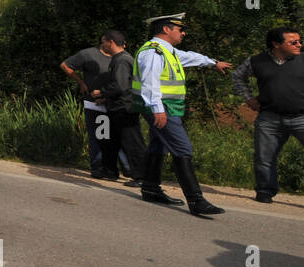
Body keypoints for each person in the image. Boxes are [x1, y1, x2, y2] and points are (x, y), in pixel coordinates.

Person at [131, 12, 232, 218]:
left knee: (159, 145)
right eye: (180, 29)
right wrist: (157, 109)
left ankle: (150, 188)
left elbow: (191, 57)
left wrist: (213, 62)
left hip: (166, 106)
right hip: (161, 107)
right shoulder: (153, 52)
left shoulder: (169, 52)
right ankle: (196, 200)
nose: (183, 33)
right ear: (166, 29)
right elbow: (150, 84)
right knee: (182, 148)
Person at [231, 26, 304, 203]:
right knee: (264, 157)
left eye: (300, 41)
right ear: (276, 44)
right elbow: (238, 76)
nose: (299, 45)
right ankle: (265, 191)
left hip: (301, 117)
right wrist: (249, 99)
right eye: (293, 42)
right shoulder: (256, 61)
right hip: (269, 118)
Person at [60, 32, 124, 178]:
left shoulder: (119, 57)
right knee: (99, 136)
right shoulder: (88, 54)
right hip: (94, 103)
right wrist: (81, 82)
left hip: (113, 103)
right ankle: (97, 166)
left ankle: (119, 168)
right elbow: (65, 65)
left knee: (114, 136)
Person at [92, 33, 145, 183]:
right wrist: (106, 99)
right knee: (111, 141)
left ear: (111, 42)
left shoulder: (122, 60)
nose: (102, 46)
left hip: (125, 108)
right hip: (117, 106)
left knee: (132, 142)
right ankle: (109, 171)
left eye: (103, 42)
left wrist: (101, 92)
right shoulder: (121, 59)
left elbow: (120, 86)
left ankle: (142, 176)